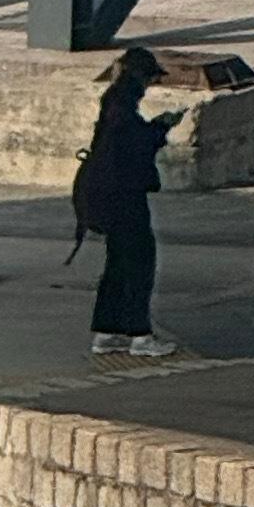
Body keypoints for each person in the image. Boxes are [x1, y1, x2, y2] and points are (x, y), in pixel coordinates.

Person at [79, 46, 181, 364]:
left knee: (117, 264)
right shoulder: (122, 106)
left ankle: (107, 331)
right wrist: (162, 126)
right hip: (125, 197)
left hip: (108, 196)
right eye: (151, 78)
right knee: (139, 264)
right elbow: (135, 146)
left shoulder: (114, 100)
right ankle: (140, 335)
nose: (151, 84)